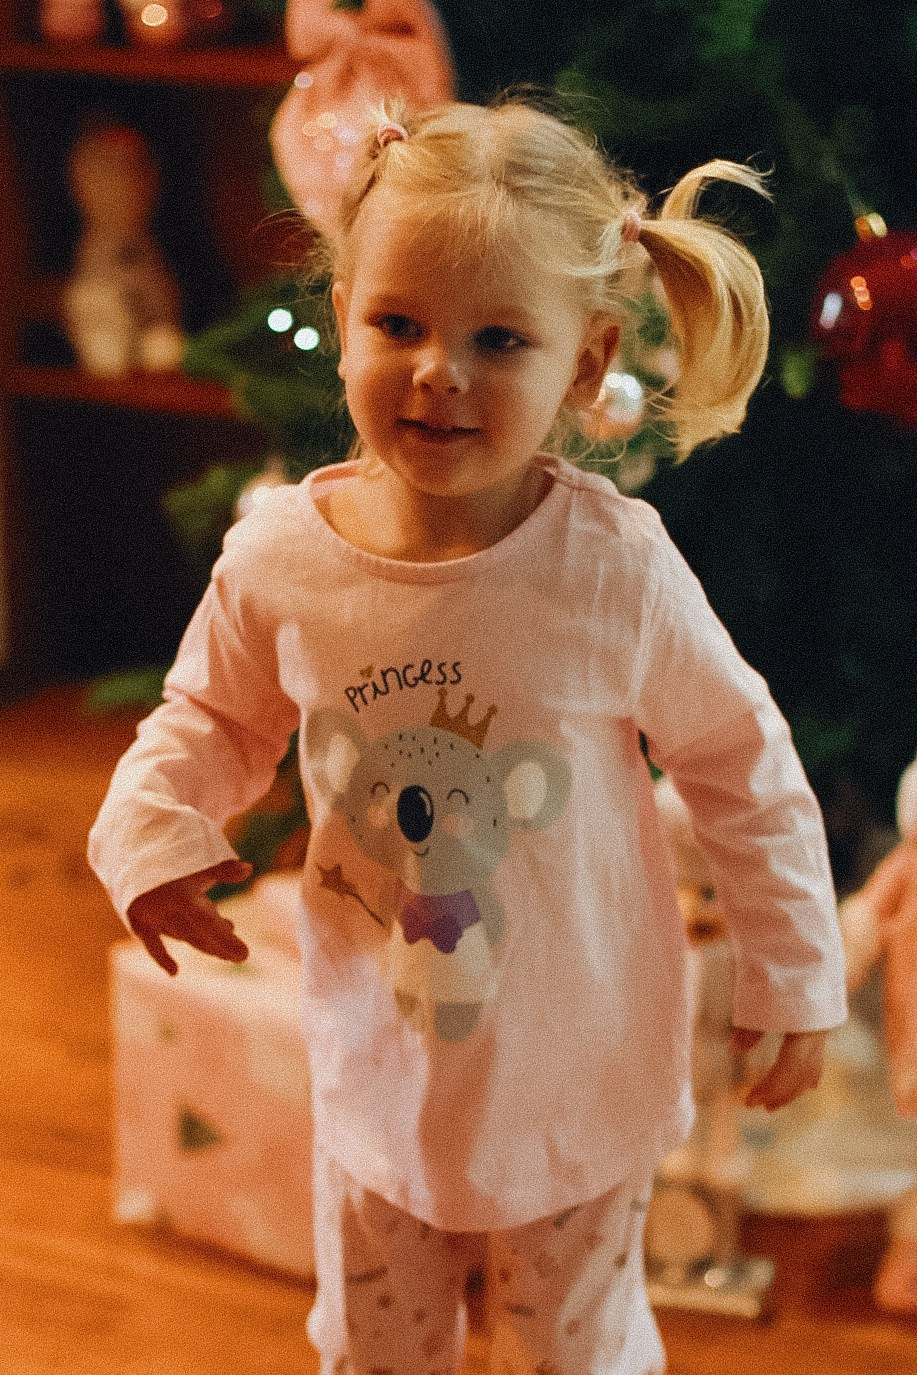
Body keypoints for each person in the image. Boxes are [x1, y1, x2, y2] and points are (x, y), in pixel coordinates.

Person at [89, 97, 847, 1375]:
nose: (440, 370)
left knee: (570, 1355)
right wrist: (153, 834)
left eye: (499, 338)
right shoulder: (282, 556)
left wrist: (792, 967)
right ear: (341, 323)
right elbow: (209, 715)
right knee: (379, 1354)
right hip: (377, 1069)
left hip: (574, 1076)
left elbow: (739, 763)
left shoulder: (609, 570)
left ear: (586, 353)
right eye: (399, 324)